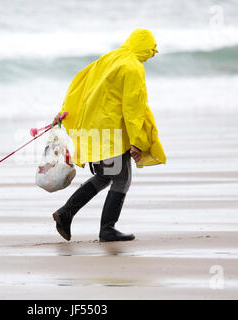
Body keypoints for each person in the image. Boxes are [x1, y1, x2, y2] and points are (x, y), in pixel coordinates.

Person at [52, 28, 166, 242]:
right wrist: (137, 141)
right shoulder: (132, 67)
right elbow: (134, 109)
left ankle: (66, 213)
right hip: (111, 133)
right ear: (143, 46)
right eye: (152, 49)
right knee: (122, 179)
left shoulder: (109, 58)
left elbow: (80, 86)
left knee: (106, 175)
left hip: (95, 129)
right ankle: (107, 229)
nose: (153, 53)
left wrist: (65, 110)